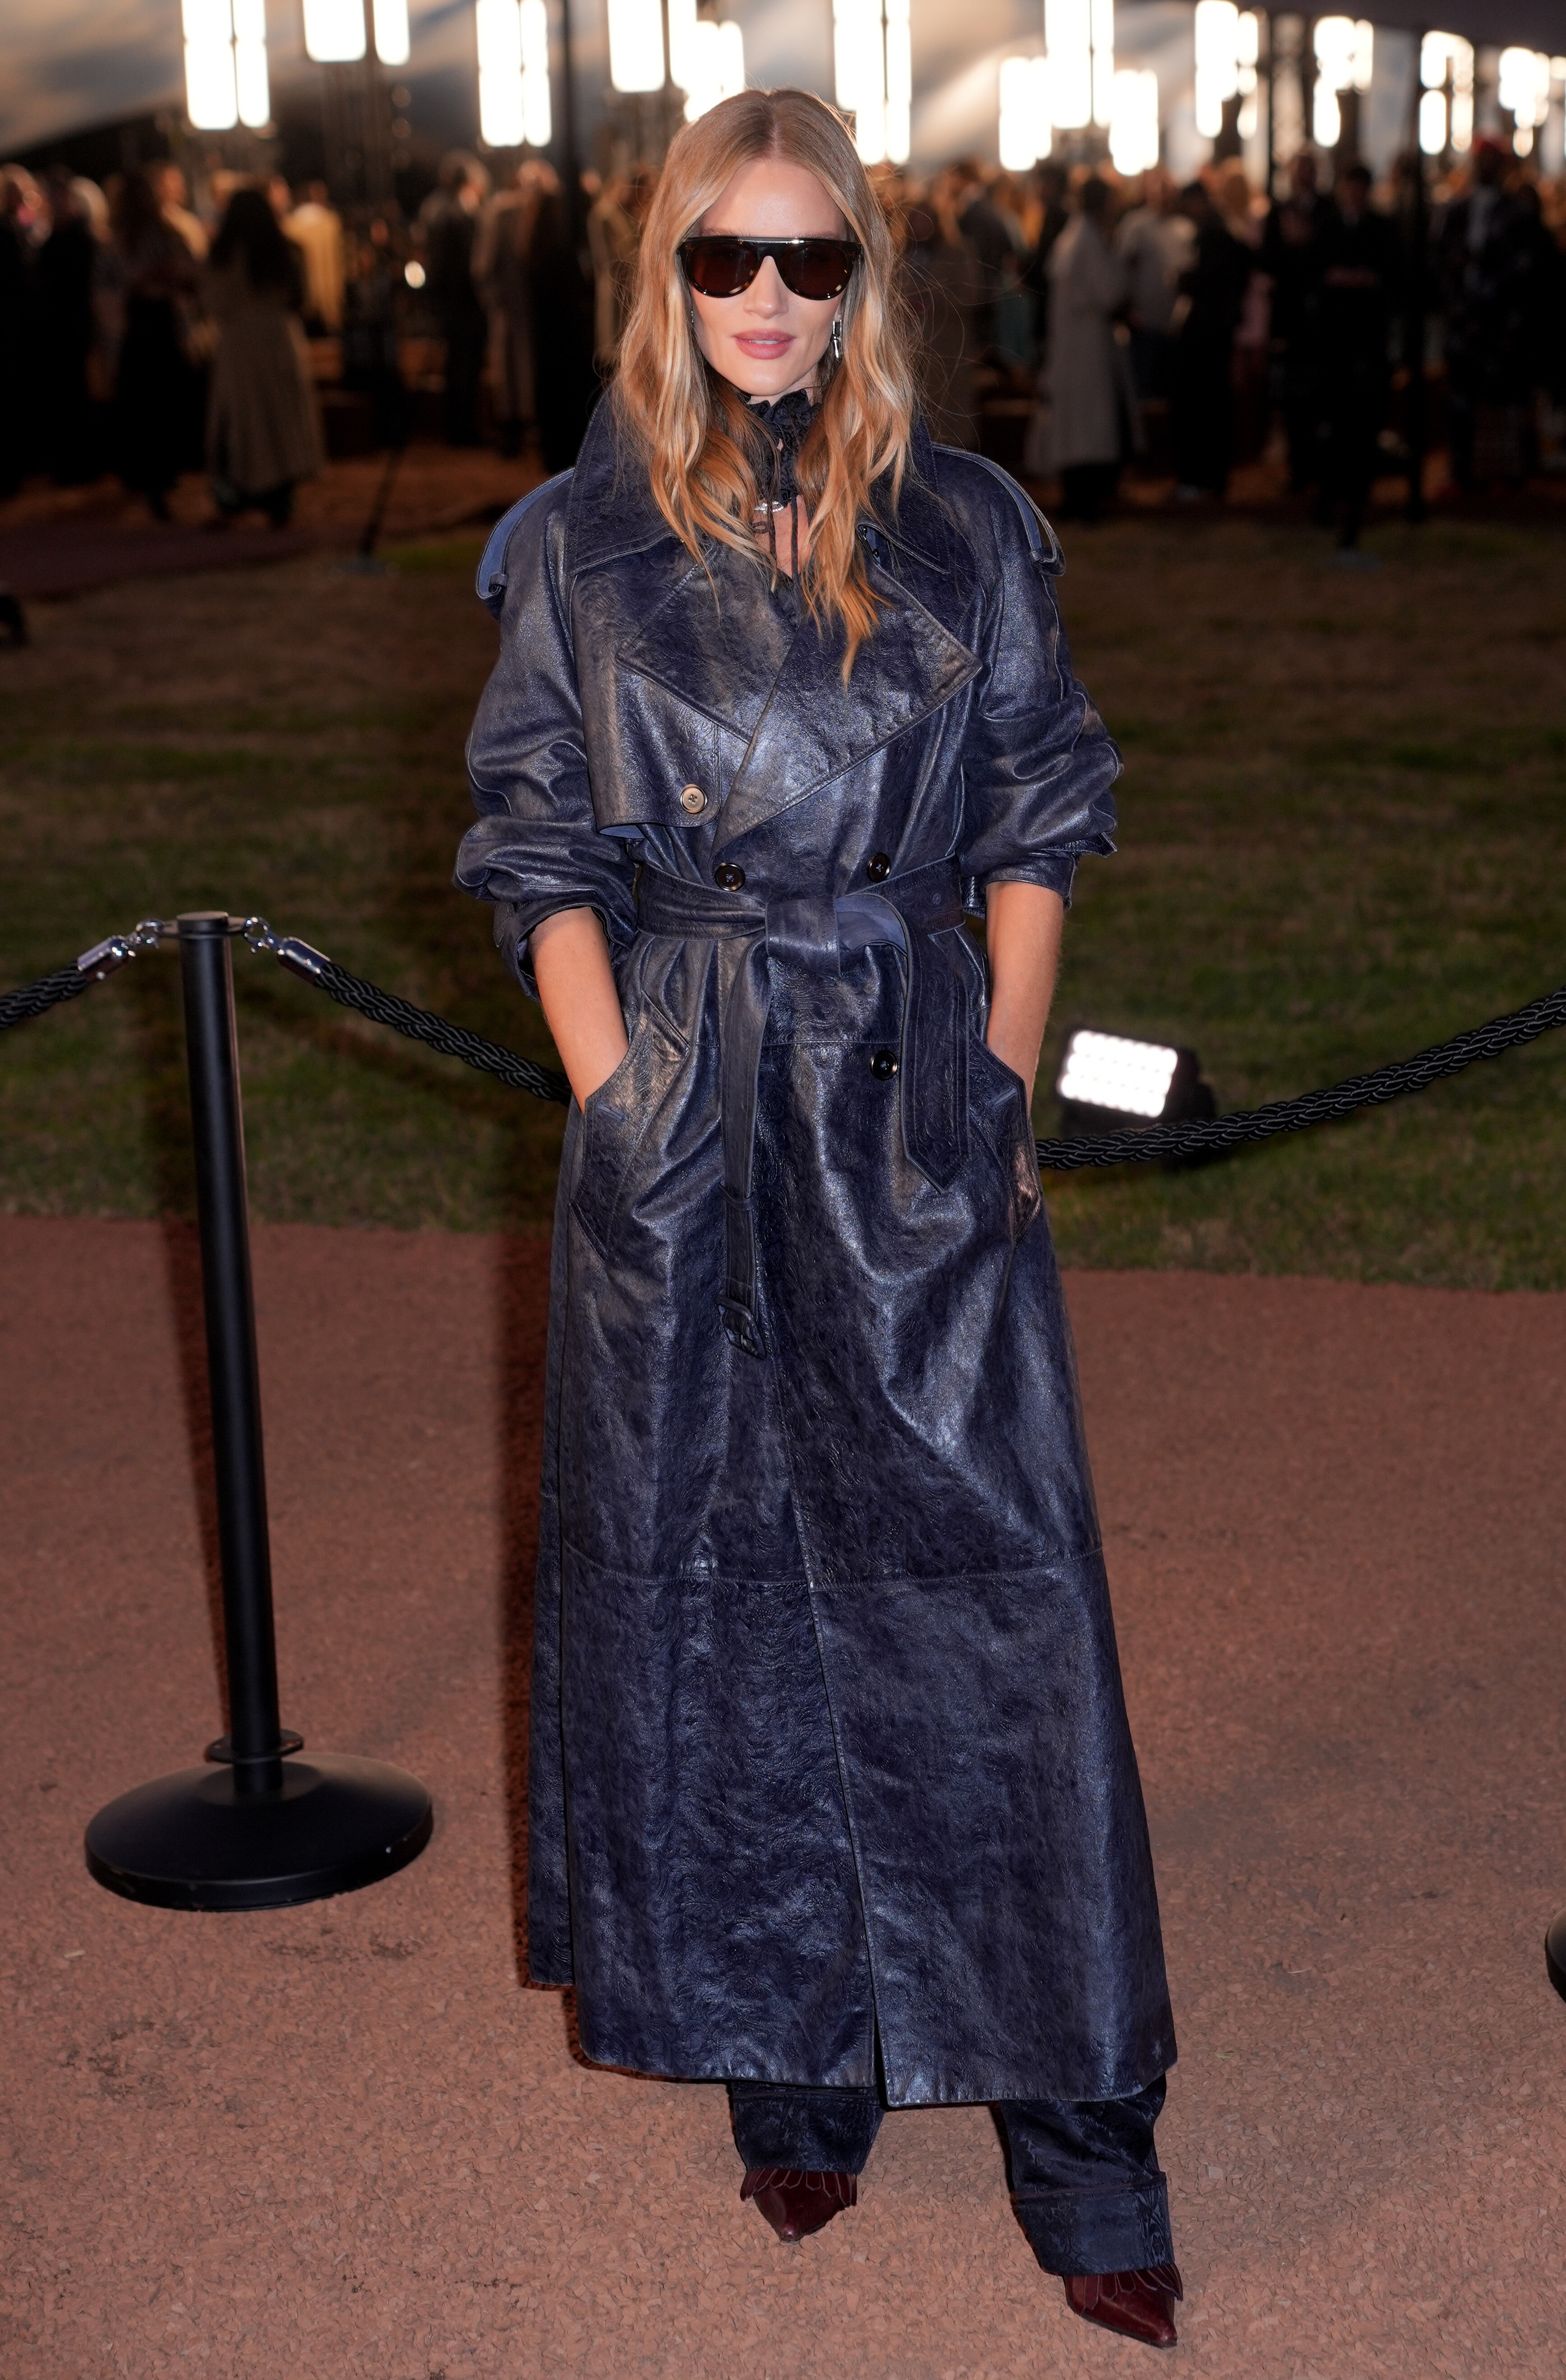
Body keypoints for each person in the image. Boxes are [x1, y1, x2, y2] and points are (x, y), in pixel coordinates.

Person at [455, 85, 1181, 2352]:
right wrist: (617, 1095)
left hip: (905, 1083)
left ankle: (1081, 2113)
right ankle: (798, 2047)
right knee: (724, 1580)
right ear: (666, 275)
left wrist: (1000, 1069)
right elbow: (533, 844)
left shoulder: (965, 525)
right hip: (687, 1108)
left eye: (811, 258)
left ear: (864, 277)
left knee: (998, 1582)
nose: (767, 298)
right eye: (725, 257)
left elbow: (1043, 806)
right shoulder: (576, 545)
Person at [204, 186, 322, 526]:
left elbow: (211, 301)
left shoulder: (222, 257)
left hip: (239, 346)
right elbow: (303, 298)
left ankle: (234, 497)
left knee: (239, 422)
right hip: (278, 341)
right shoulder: (285, 253)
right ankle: (279, 500)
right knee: (279, 420)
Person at [104, 169, 201, 519]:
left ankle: (158, 474)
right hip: (144, 326)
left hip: (157, 325)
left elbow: (189, 274)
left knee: (158, 403)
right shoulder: (120, 240)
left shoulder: (163, 235)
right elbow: (110, 291)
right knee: (149, 404)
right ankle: (152, 476)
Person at [1437, 138, 1530, 489]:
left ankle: (1505, 471)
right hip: (1463, 320)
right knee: (1461, 399)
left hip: (1498, 321)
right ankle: (1462, 470)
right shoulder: (1457, 212)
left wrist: (1501, 315)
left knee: (1502, 397)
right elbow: (1441, 263)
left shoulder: (1516, 215)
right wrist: (1457, 306)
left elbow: (1523, 271)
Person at [1315, 161, 1400, 547]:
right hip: (1335, 336)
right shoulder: (1330, 226)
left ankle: (1358, 490)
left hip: (1366, 335)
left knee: (1363, 416)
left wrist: (1367, 280)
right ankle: (1332, 490)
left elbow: (1393, 270)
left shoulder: (1381, 228)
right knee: (1335, 415)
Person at [1045, 174, 1127, 521]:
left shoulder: (1072, 236)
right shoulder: (1089, 240)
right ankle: (1085, 500)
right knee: (1089, 426)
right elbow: (1109, 292)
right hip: (1087, 345)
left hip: (1072, 343)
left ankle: (1078, 495)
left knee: (1076, 425)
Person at [1170, 179, 1250, 499]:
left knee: (1201, 408)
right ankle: (1212, 477)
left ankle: (1202, 477)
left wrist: (1183, 280)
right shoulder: (1222, 233)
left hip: (1205, 338)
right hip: (1215, 336)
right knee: (1212, 407)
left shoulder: (1213, 236)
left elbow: (1206, 281)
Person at [1261, 151, 1333, 493]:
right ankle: (1299, 467)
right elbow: (1267, 261)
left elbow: (1330, 260)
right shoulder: (1279, 213)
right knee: (1291, 399)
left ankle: (1321, 468)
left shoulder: (1328, 212)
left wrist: (1305, 245)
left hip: (1321, 322)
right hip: (1290, 321)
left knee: (1320, 397)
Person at [418, 152, 489, 446]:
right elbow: (467, 262)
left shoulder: (433, 207)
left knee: (456, 365)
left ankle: (456, 427)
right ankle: (463, 429)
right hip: (464, 302)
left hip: (448, 301)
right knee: (465, 366)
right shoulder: (459, 213)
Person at [282, 180, 345, 333]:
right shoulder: (330, 224)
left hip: (299, 300)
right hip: (327, 299)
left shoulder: (289, 225)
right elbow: (338, 263)